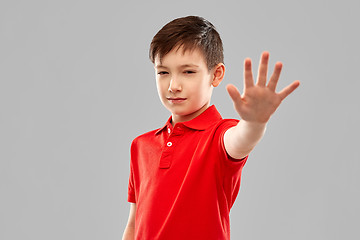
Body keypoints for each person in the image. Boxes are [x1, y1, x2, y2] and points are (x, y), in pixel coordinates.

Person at [122, 15, 300, 240]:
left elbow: (242, 139)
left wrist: (255, 122)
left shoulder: (220, 136)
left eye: (188, 72)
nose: (173, 85)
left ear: (216, 75)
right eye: (163, 72)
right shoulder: (140, 145)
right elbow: (133, 225)